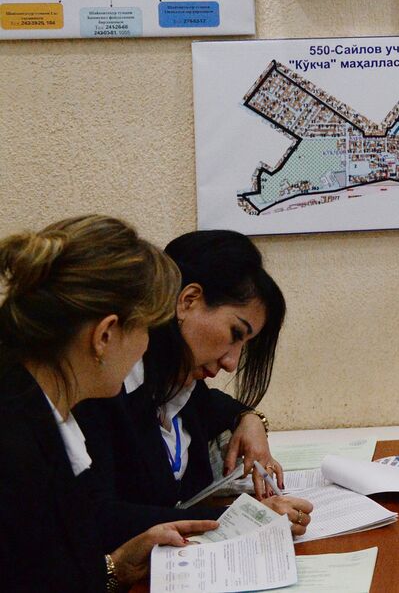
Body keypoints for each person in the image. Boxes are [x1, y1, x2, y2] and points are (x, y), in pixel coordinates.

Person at [0, 215, 219, 592]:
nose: (148, 346)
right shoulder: (15, 448)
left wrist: (113, 567)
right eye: (147, 329)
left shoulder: (39, 409)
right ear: (104, 335)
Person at [77, 230, 313, 548]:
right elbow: (96, 516)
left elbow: (217, 405)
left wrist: (250, 418)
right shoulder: (100, 390)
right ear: (188, 301)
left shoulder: (183, 384)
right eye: (234, 333)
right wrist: (238, 518)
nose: (232, 363)